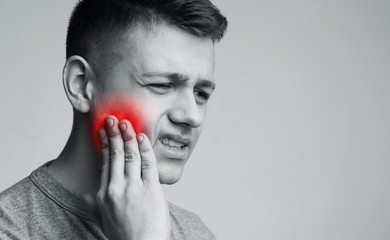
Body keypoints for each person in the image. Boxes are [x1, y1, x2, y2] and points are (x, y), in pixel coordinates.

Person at [0, 0, 227, 239]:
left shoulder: (196, 232)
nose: (192, 116)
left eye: (201, 93)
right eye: (161, 85)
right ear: (80, 85)